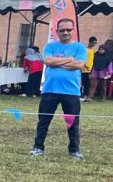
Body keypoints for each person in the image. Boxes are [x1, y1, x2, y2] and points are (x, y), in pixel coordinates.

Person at [30, 19, 86, 159]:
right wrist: (69, 60)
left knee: (72, 123)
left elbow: (79, 65)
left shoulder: (80, 47)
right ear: (57, 32)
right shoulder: (50, 46)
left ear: (73, 30)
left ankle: (74, 150)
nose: (65, 32)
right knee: (44, 120)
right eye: (62, 30)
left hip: (71, 91)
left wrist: (56, 62)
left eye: (68, 29)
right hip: (50, 90)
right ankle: (38, 147)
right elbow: (47, 61)